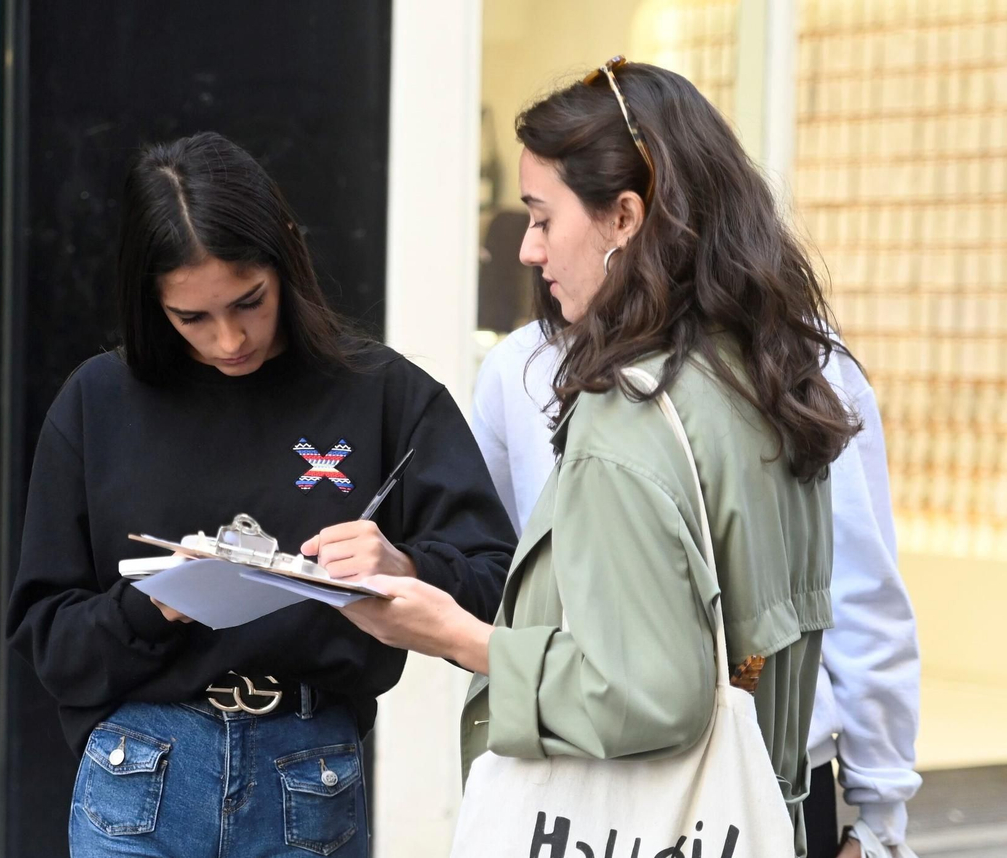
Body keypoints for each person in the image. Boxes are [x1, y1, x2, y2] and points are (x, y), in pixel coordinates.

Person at [339, 58, 859, 857]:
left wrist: (453, 634)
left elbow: (642, 694)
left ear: (623, 217)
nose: (528, 250)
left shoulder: (632, 420)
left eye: (543, 219)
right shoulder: (764, 379)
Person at [5, 131, 515, 857]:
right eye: (192, 318)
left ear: (286, 256)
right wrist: (155, 604)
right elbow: (48, 641)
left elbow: (503, 594)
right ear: (152, 302)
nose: (228, 340)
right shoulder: (98, 401)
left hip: (309, 774)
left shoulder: (383, 394)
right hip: (139, 771)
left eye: (249, 301)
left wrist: (404, 568)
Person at [474, 323, 922, 858]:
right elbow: (510, 576)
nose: (536, 266)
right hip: (576, 770)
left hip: (749, 774)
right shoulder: (520, 363)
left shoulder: (785, 347)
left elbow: (855, 587)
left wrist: (879, 817)